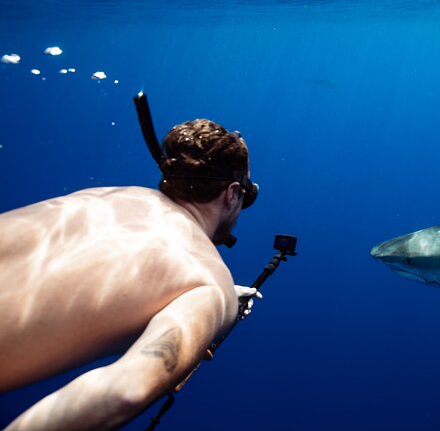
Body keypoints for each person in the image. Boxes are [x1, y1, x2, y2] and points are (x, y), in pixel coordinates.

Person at [0, 117, 261, 430]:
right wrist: (215, 308)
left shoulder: (102, 196)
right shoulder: (208, 281)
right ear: (232, 194)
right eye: (247, 196)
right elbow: (126, 390)